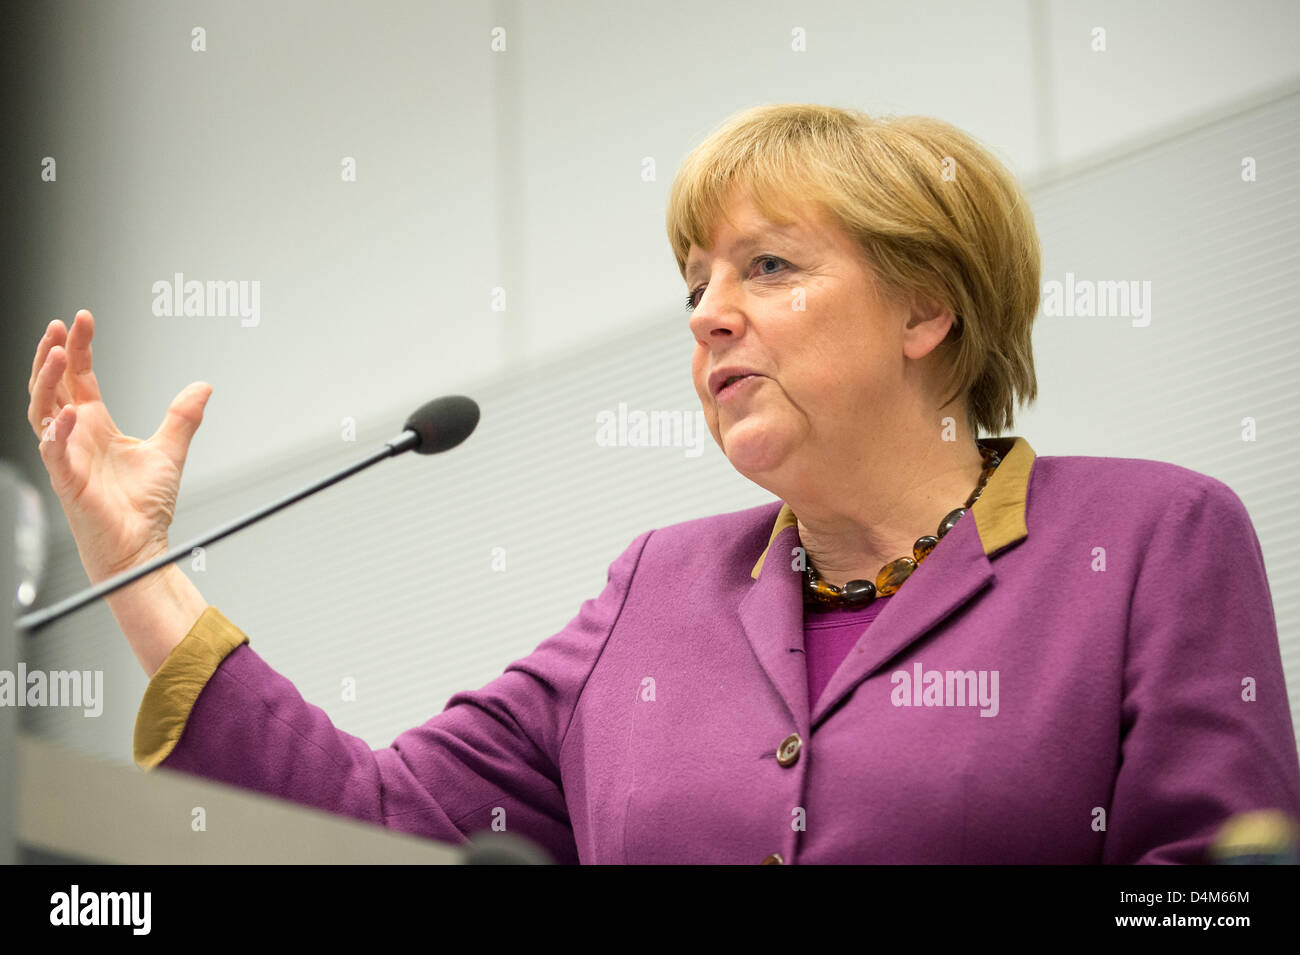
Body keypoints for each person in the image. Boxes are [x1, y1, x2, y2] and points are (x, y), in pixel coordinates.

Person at [25, 103, 1300, 864]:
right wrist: (138, 560)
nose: (708, 317)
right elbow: (376, 824)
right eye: (695, 285)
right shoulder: (654, 591)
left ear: (926, 308)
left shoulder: (1147, 539)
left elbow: (1218, 884)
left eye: (767, 268)